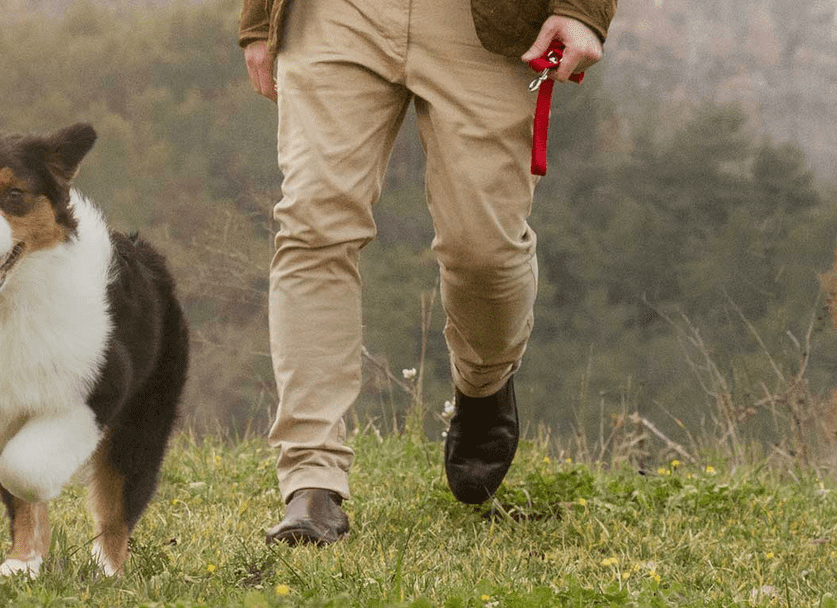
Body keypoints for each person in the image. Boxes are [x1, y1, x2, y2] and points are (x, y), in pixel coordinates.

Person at [239, 0, 616, 546]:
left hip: (486, 22)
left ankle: (484, 383)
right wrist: (258, 20)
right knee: (312, 226)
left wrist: (582, 8)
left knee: (482, 249)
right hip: (332, 16)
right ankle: (311, 481)